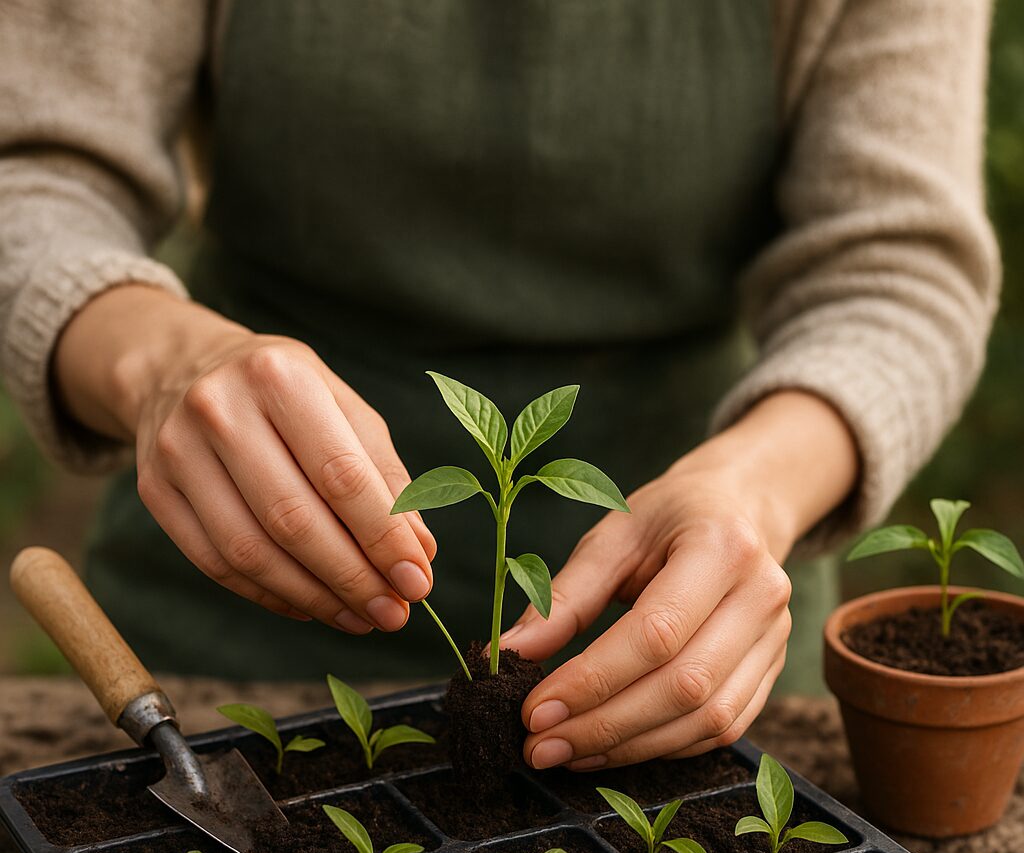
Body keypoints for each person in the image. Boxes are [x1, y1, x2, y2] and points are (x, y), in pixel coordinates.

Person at [0, 1, 998, 772]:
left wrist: (757, 488)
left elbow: (897, 265)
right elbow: (33, 170)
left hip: (680, 608)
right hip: (234, 567)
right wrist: (158, 358)